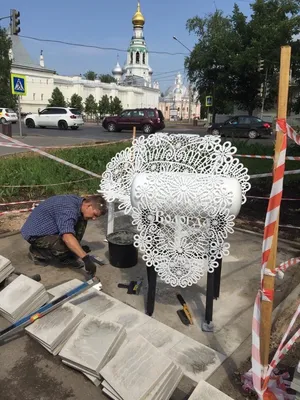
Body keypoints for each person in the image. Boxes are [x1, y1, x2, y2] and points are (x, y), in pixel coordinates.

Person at [21, 194, 107, 276]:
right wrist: (85, 258)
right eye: (95, 214)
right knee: (63, 244)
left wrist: (78, 249)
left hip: (48, 226)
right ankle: (38, 252)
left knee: (82, 219)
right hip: (35, 233)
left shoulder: (80, 203)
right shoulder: (68, 210)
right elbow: (67, 237)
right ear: (88, 205)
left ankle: (70, 250)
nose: (94, 218)